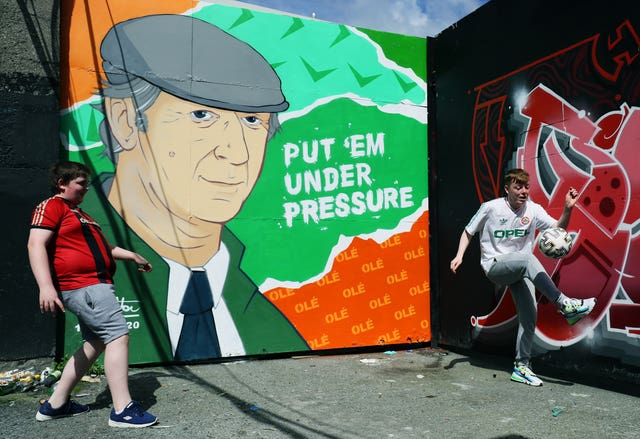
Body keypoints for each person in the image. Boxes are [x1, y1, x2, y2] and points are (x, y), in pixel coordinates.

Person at [86, 14, 308, 361]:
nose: (237, 154)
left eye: (252, 121)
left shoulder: (272, 325)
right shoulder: (81, 254)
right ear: (125, 120)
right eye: (202, 116)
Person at [28, 161, 158, 427]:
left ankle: (56, 404)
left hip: (94, 285)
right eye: (81, 183)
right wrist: (45, 286)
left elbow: (105, 248)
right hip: (83, 285)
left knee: (96, 342)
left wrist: (132, 256)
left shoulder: (80, 214)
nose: (86, 188)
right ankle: (122, 409)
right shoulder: (51, 206)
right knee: (117, 335)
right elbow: (35, 243)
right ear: (61, 183)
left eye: (87, 183)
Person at [450, 168, 596, 386]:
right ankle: (564, 304)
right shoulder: (491, 208)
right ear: (507, 189)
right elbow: (468, 231)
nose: (523, 191)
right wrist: (459, 255)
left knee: (529, 317)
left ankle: (522, 367)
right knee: (528, 259)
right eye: (518, 187)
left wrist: (567, 209)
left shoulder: (533, 210)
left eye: (526, 187)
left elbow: (558, 230)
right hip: (495, 266)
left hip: (519, 268)